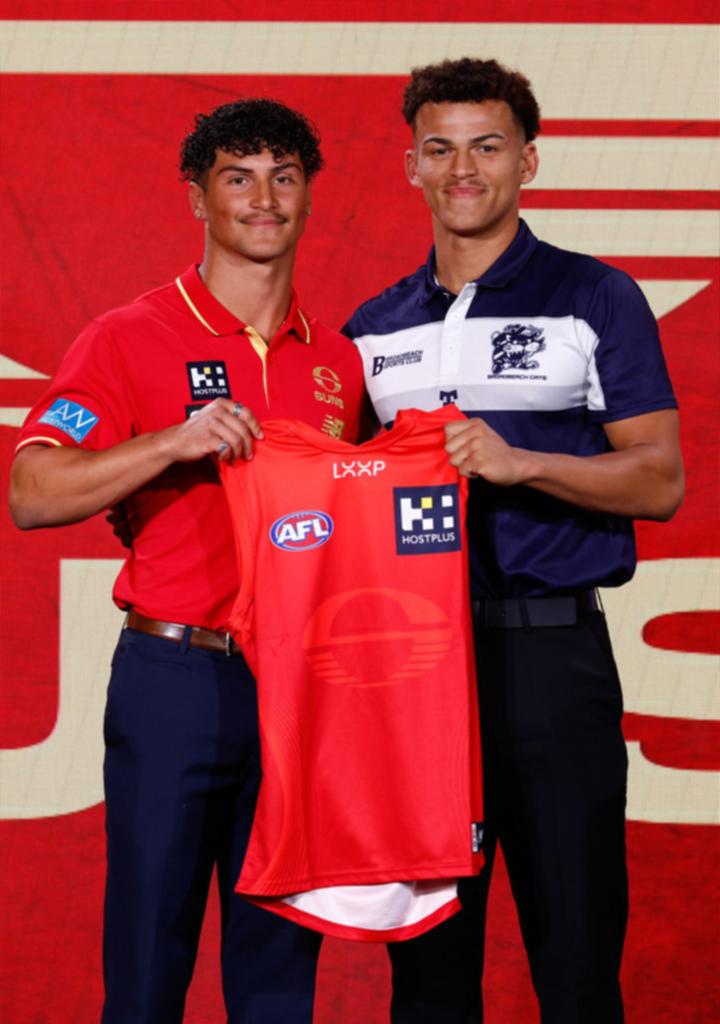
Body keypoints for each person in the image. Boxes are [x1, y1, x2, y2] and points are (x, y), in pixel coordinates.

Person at [343, 58, 684, 1024]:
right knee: (431, 973)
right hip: (414, 669)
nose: (463, 169)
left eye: (487, 147)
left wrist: (519, 461)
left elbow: (660, 480)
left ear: (529, 161)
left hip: (550, 658)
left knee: (575, 960)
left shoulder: (595, 296)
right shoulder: (372, 329)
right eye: (440, 148)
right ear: (410, 165)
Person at [9, 98, 365, 1024]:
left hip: (299, 687)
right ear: (197, 198)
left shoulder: (338, 362)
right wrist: (170, 442)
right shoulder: (128, 336)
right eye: (237, 177)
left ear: (308, 198)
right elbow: (33, 492)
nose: (263, 199)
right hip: (176, 674)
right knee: (147, 957)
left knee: (281, 965)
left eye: (284, 178)